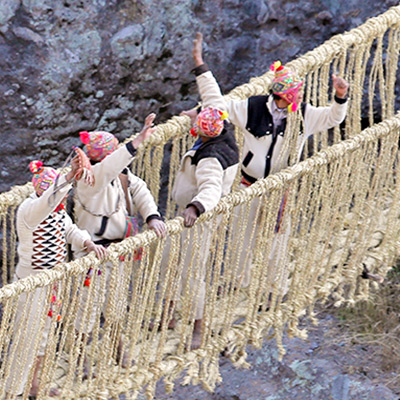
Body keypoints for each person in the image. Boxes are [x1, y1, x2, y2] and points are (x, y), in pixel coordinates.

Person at [190, 32, 349, 292]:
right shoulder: (251, 108)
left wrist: (340, 96)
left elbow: (333, 118)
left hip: (280, 187)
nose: (297, 99)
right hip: (249, 184)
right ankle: (239, 282)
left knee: (279, 236)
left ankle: (276, 288)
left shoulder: (304, 115)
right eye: (293, 95)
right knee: (243, 234)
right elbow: (219, 107)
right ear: (281, 95)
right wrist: (200, 72)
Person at [159, 37, 239, 350]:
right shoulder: (221, 120)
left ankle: (197, 328)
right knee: (168, 261)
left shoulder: (210, 158)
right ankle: (169, 315)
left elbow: (210, 188)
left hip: (198, 219)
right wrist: (198, 61)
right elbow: (211, 93)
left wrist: (194, 209)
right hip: (187, 217)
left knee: (193, 272)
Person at [6, 158, 106, 399]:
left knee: (45, 335)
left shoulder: (57, 211)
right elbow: (47, 202)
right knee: (26, 337)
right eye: (59, 195)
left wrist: (87, 242)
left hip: (53, 282)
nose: (62, 200)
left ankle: (34, 385)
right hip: (32, 284)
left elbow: (69, 229)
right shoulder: (31, 210)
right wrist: (69, 178)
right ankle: (13, 391)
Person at [72, 113, 167, 366]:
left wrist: (152, 217)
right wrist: (137, 141)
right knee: (87, 309)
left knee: (115, 304)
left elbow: (140, 190)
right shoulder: (88, 180)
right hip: (92, 255)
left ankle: (119, 351)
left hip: (118, 250)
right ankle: (80, 361)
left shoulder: (119, 175)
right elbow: (110, 166)